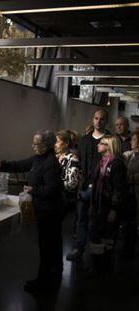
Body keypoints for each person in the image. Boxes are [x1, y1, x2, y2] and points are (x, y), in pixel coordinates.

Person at [0, 130, 63, 293]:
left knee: (47, 247)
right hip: (44, 210)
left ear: (45, 146)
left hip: (49, 211)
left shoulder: (51, 163)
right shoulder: (39, 159)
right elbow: (19, 165)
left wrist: (34, 189)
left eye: (36, 144)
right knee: (50, 246)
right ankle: (51, 275)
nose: (33, 146)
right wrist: (1, 164)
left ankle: (43, 282)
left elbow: (52, 189)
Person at [67, 109, 110, 261]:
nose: (98, 121)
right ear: (93, 120)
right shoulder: (85, 140)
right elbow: (78, 163)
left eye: (102, 119)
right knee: (81, 218)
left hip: (101, 188)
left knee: (97, 220)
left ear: (106, 121)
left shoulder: (110, 141)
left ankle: (96, 252)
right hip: (84, 186)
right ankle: (79, 247)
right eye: (96, 118)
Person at [89, 135, 127, 273]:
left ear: (109, 146)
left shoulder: (116, 163)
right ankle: (98, 266)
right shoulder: (102, 161)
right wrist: (92, 204)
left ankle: (102, 268)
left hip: (108, 206)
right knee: (97, 234)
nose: (98, 144)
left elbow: (119, 188)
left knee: (104, 236)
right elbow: (96, 183)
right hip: (99, 204)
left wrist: (114, 209)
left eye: (102, 143)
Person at [122, 131, 139, 258]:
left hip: (136, 193)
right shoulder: (128, 155)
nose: (131, 142)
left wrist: (132, 178)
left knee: (133, 222)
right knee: (128, 221)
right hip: (127, 192)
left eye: (134, 139)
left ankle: (129, 250)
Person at [55, 130, 80, 216]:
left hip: (66, 200)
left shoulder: (72, 159)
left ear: (66, 143)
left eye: (58, 142)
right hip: (54, 199)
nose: (55, 144)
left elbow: (72, 183)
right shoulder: (55, 157)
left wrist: (53, 185)